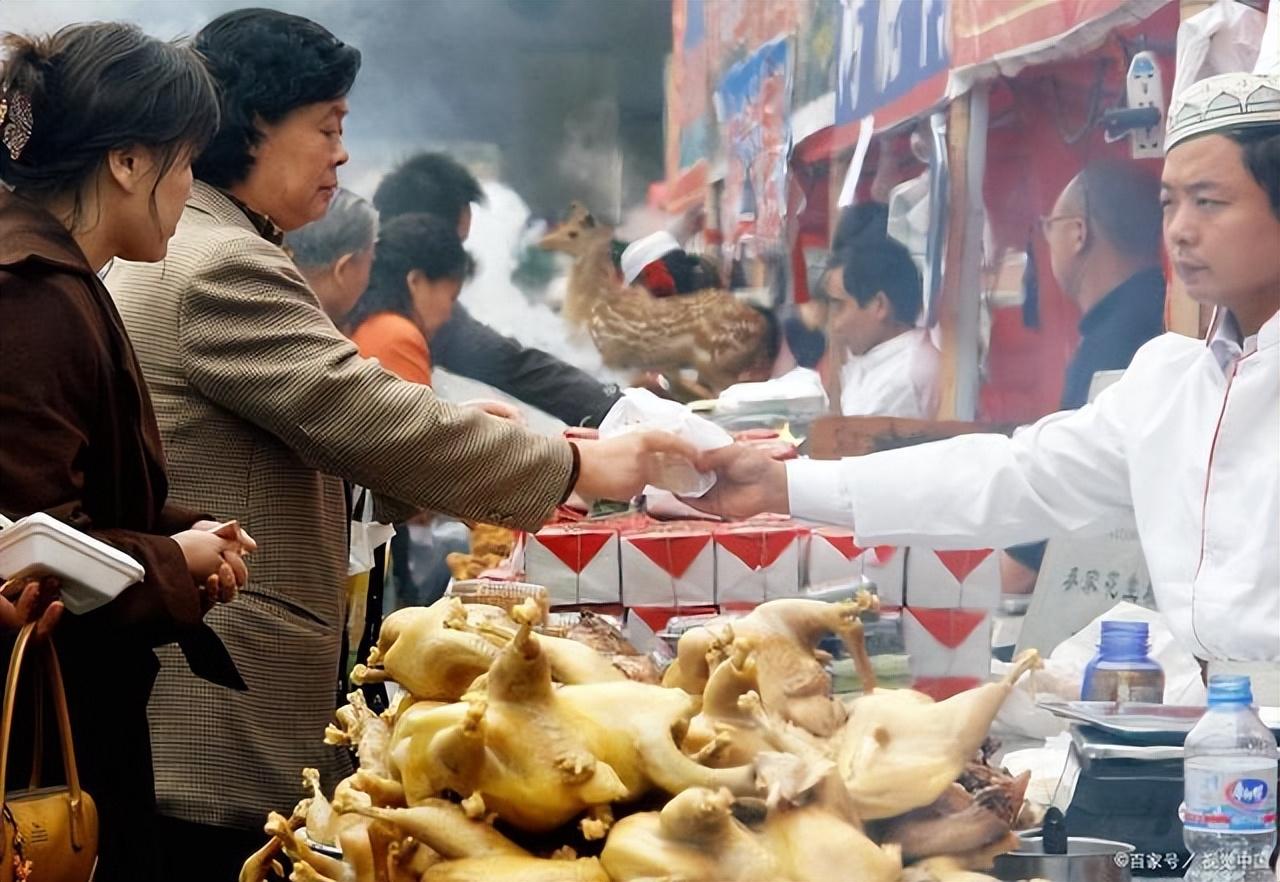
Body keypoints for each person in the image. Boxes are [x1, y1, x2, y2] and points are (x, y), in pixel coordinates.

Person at [103, 11, 693, 878]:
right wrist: (575, 464)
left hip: (215, 689)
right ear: (254, 126)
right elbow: (360, 414)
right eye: (328, 129)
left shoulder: (215, 242)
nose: (342, 155)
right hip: (212, 710)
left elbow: (281, 454)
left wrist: (414, 483)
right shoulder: (217, 261)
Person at [694, 72, 1280, 684]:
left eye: (1208, 201)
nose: (1181, 228)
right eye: (1169, 203)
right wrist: (781, 485)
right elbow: (1010, 476)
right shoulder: (1169, 383)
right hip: (1215, 735)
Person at [0, 23, 253, 881]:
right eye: (185, 164)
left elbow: (66, 492)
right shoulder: (31, 295)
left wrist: (184, 535)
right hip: (42, 734)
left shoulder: (56, 274)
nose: (190, 190)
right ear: (129, 162)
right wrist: (172, 560)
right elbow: (29, 560)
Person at [1003, 160, 1167, 592]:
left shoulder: (1118, 340)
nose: (1048, 238)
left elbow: (1062, 488)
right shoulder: (1151, 312)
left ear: (1078, 232)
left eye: (1049, 225)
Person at [373, 151, 623, 425]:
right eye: (454, 247)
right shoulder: (389, 330)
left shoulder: (391, 292)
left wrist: (617, 406)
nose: (459, 264)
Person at [820, 234, 940, 419]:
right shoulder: (877, 357)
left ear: (879, 305)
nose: (834, 325)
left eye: (839, 306)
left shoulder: (905, 375)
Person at [344, 213, 472, 384]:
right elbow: (421, 412)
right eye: (451, 297)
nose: (449, 315)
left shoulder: (364, 323)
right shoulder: (396, 337)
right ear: (416, 281)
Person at [287, 186, 378, 324]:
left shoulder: (259, 309)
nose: (369, 277)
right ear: (343, 269)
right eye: (370, 261)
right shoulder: (316, 338)